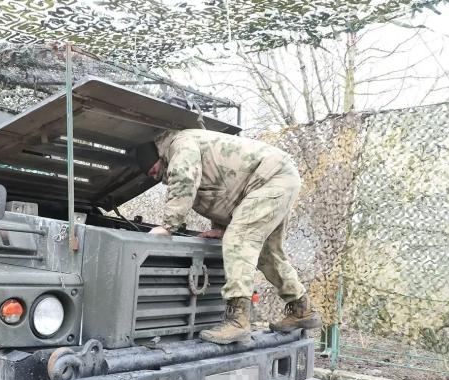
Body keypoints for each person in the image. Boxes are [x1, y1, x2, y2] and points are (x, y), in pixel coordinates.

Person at [135, 129, 321, 344]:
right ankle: (301, 308)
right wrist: (221, 229)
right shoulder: (188, 147)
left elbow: (185, 180)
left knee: (239, 239)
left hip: (270, 177)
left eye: (150, 169)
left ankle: (238, 320)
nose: (150, 174)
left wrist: (168, 226)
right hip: (275, 178)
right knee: (267, 253)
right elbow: (223, 192)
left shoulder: (180, 145)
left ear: (157, 157)